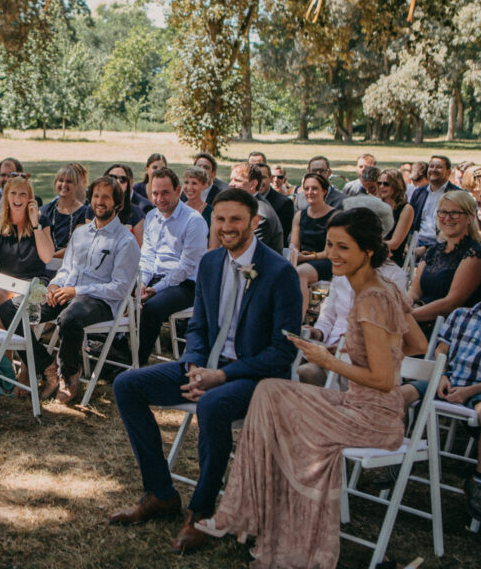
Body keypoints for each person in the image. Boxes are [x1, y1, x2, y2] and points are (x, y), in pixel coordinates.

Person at [197, 208, 417, 568]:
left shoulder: (373, 298)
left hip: (374, 418)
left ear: (367, 251)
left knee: (288, 425)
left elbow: (384, 380)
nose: (332, 254)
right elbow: (416, 344)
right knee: (269, 391)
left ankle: (271, 528)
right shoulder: (381, 288)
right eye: (330, 245)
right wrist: (378, 347)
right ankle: (242, 512)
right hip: (354, 403)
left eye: (343, 247)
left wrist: (329, 360)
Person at [109, 189, 301, 554]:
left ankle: (201, 512)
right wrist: (195, 364)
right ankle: (160, 493)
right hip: (206, 365)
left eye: (236, 219)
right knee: (127, 385)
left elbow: (283, 351)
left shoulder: (280, 272)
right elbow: (197, 326)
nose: (227, 227)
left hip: (255, 378)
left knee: (212, 404)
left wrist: (222, 377)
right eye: (220, 219)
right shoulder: (210, 262)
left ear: (254, 222)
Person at [399, 267, 481, 520]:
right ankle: (399, 452)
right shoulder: (461, 315)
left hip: (479, 389)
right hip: (445, 379)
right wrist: (442, 376)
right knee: (400, 396)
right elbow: (441, 350)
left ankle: (479, 480)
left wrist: (469, 391)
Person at [0, 176, 140, 404]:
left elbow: (119, 288)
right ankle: (46, 366)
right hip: (67, 293)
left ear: (118, 203)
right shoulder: (80, 234)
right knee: (9, 309)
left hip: (100, 301)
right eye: (96, 196)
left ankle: (69, 375)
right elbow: (67, 269)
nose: (99, 201)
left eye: (106, 197)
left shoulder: (125, 241)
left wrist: (76, 291)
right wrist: (55, 285)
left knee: (69, 318)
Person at [298, 195, 417, 385]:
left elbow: (403, 338)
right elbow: (329, 314)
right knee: (296, 365)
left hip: (363, 364)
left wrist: (358, 349)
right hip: (330, 349)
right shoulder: (342, 270)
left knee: (305, 373)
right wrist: (317, 332)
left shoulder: (392, 278)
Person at [136, 167, 209, 366]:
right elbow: (148, 255)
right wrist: (142, 282)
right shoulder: (151, 216)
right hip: (155, 277)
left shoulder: (194, 221)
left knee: (151, 308)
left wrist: (156, 289)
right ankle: (115, 351)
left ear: (178, 191)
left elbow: (186, 266)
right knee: (120, 293)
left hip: (186, 284)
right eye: (155, 193)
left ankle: (137, 363)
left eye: (165, 193)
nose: (160, 199)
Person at [409, 191, 481, 331]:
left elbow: (452, 303)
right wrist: (402, 307)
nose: (448, 218)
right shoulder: (433, 251)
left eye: (455, 213)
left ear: (470, 218)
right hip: (417, 318)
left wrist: (409, 315)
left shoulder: (474, 255)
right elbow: (415, 291)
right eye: (443, 212)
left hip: (449, 329)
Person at [0, 175, 56, 326]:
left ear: (30, 198)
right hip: (6, 282)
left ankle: (23, 340)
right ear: (6, 197)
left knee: (25, 298)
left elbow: (47, 257)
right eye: (13, 193)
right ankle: (4, 341)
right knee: (1, 294)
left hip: (34, 282)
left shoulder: (41, 221)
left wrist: (35, 224)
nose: (17, 198)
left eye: (23, 194)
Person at [290, 172, 338, 318]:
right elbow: (294, 246)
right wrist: (296, 256)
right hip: (302, 259)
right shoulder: (299, 216)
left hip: (325, 261)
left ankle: (297, 320)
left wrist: (306, 258)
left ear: (324, 191)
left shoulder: (334, 216)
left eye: (315, 188)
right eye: (307, 188)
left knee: (300, 273)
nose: (310, 192)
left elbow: (329, 251)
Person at [225, 162, 284, 254]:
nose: (231, 184)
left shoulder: (260, 215)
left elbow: (247, 252)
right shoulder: (248, 206)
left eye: (237, 180)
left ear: (253, 184)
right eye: (231, 179)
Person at [409, 155, 461, 247]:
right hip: (415, 242)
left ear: (448, 172)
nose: (434, 170)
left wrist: (427, 248)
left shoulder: (457, 195)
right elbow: (410, 223)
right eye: (431, 166)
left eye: (439, 167)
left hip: (442, 245)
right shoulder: (418, 193)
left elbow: (458, 229)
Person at [89, 163, 146, 246]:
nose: (117, 181)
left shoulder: (136, 213)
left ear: (128, 185)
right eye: (112, 177)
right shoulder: (92, 209)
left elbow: (140, 247)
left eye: (123, 179)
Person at [40, 164, 88, 256]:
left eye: (69, 181)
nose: (64, 185)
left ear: (76, 185)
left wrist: (49, 257)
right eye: (61, 180)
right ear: (55, 183)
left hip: (71, 261)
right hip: (44, 261)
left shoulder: (84, 212)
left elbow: (76, 246)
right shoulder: (44, 211)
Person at [379, 168, 415, 266]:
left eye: (386, 184)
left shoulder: (406, 209)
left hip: (391, 259)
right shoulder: (377, 205)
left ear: (396, 185)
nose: (381, 186)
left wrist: (368, 246)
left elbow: (395, 244)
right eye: (379, 183)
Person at [255, 161, 295, 245]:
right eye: (255, 178)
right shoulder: (243, 200)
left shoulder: (284, 203)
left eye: (262, 177)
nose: (258, 182)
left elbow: (283, 235)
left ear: (271, 178)